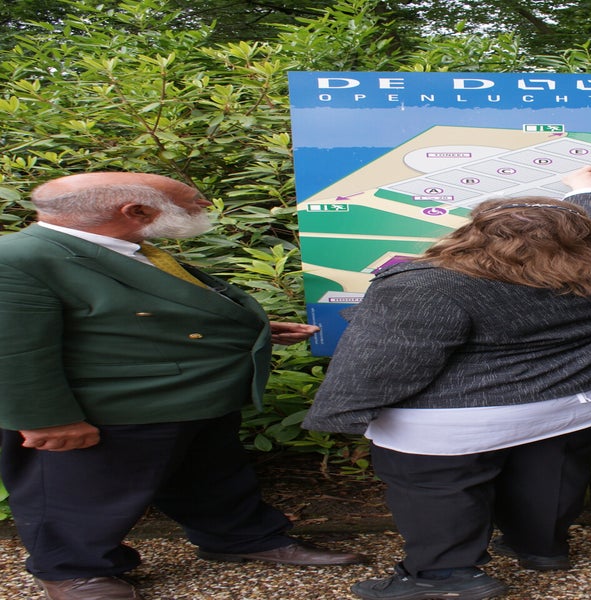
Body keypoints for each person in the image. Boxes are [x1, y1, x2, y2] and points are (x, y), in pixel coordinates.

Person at [0, 172, 367, 600]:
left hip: (194, 396)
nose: (205, 206)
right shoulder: (19, 259)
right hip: (113, 408)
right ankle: (72, 570)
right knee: (80, 493)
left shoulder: (122, 247)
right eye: (192, 200)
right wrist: (47, 421)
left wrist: (253, 328)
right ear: (136, 211)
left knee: (212, 479)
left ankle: (241, 538)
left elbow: (142, 313)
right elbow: (13, 350)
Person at [304, 164, 591, 600]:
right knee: (550, 471)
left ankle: (443, 576)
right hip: (580, 399)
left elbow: (380, 364)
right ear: (589, 237)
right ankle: (542, 548)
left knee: (437, 485)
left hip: (460, 415)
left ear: (474, 234)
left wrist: (341, 413)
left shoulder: (428, 284)